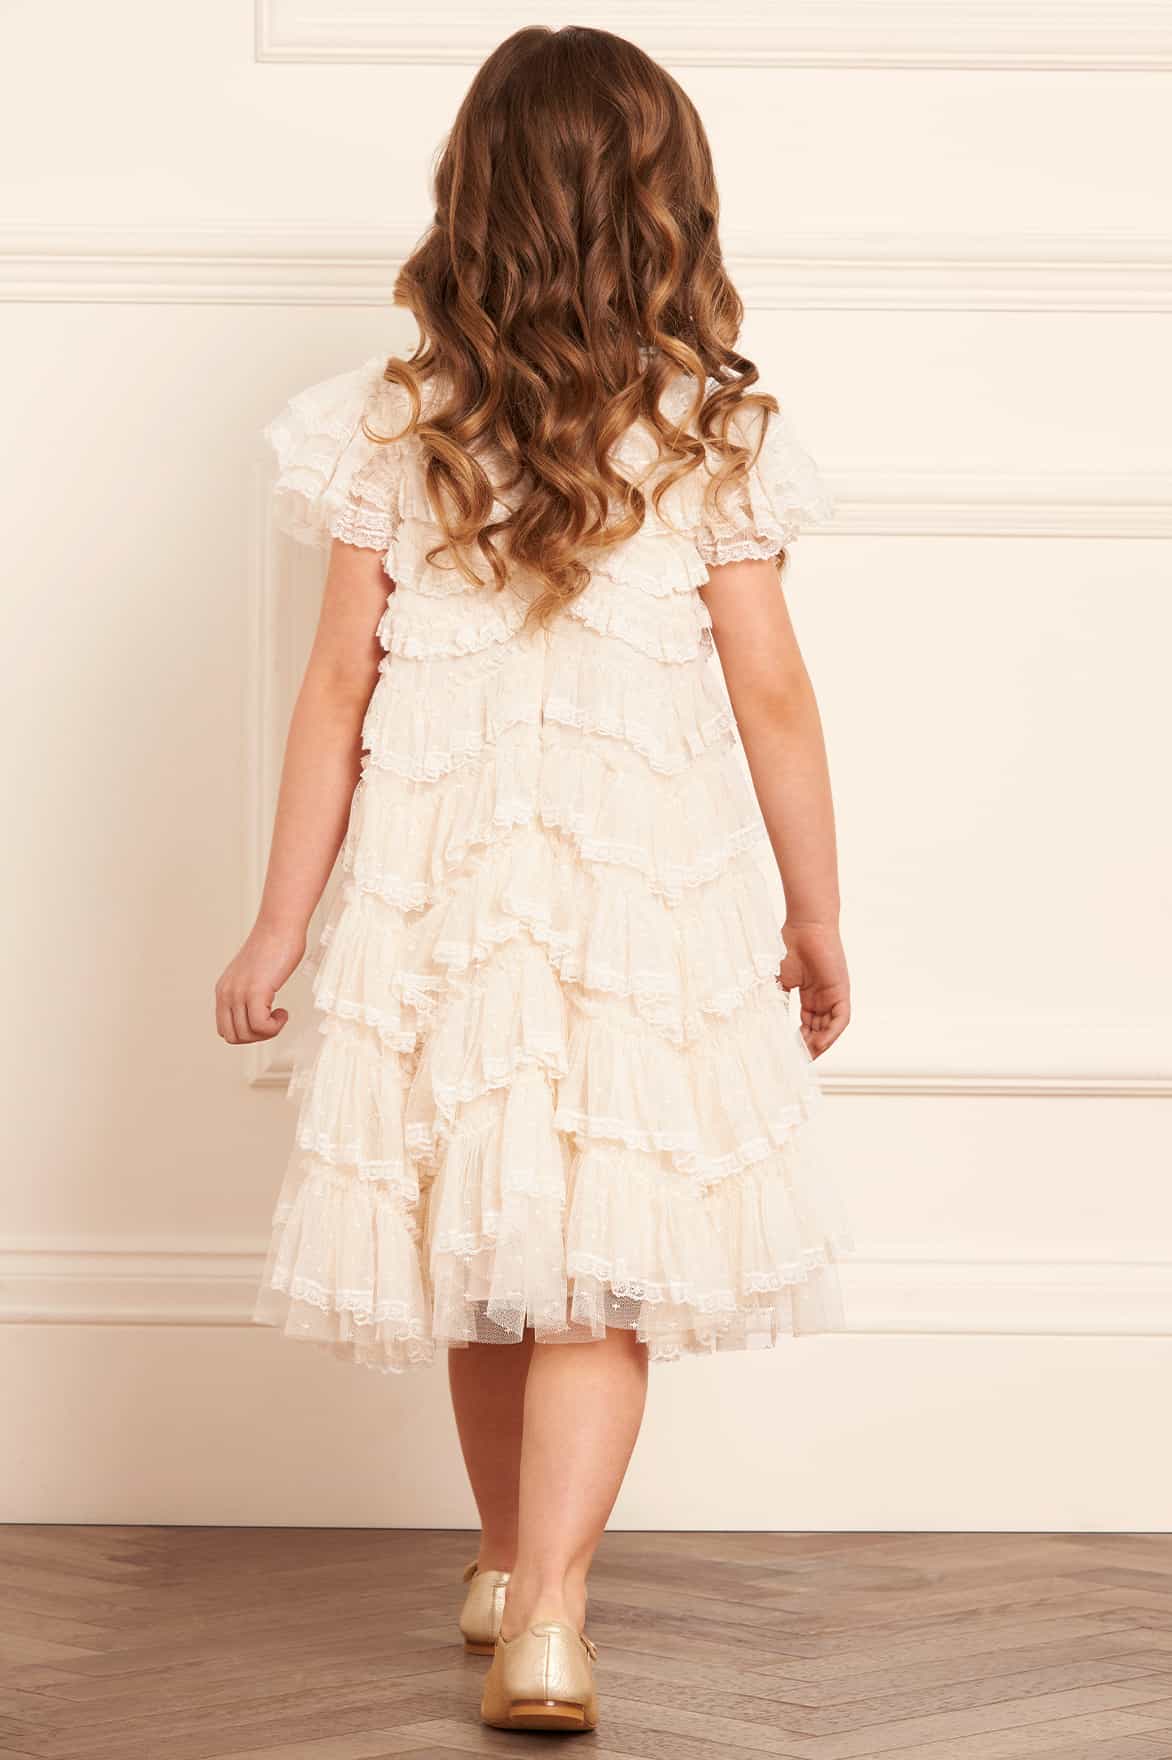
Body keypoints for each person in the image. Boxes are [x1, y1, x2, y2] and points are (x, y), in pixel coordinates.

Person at [215, 23, 851, 1736]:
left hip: (441, 888)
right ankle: (548, 1608)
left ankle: (511, 1561)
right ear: (670, 207)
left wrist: (282, 924)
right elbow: (773, 692)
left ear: (472, 199)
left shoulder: (395, 420)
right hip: (640, 898)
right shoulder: (710, 431)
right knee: (599, 1255)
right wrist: (814, 913)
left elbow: (335, 692)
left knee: (484, 1235)